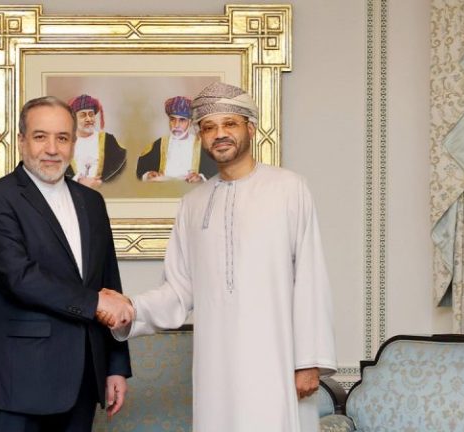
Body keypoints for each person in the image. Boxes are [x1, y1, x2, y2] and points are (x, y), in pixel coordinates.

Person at [101, 82, 337, 432]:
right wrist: (131, 309)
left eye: (230, 124)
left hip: (277, 361)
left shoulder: (289, 189)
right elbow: (178, 290)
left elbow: (310, 276)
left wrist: (308, 361)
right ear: (200, 137)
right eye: (209, 127)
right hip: (216, 367)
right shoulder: (192, 204)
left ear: (250, 129)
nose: (220, 134)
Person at [0, 96, 134, 432]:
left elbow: (109, 282)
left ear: (73, 144)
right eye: (40, 136)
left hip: (85, 373)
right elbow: (19, 278)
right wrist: (96, 303)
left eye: (62, 138)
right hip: (22, 374)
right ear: (21, 141)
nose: (52, 149)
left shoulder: (92, 202)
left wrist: (116, 366)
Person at [136, 96, 216, 183]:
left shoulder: (203, 146)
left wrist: (200, 178)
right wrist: (148, 175)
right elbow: (141, 170)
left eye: (182, 120)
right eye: (172, 119)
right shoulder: (159, 144)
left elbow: (215, 173)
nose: (176, 125)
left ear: (190, 123)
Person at [66, 94, 127, 188]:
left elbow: (120, 167)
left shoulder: (109, 140)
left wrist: (101, 182)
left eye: (91, 115)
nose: (88, 119)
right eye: (83, 115)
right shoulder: (65, 143)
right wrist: (78, 180)